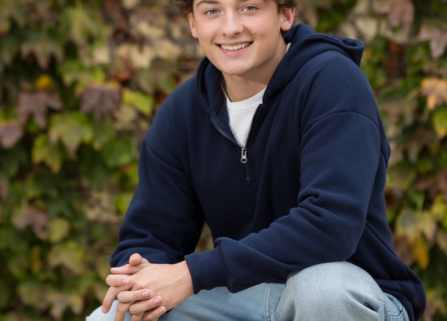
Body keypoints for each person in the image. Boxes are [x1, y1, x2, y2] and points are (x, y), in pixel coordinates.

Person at [86, 0, 426, 319]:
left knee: (322, 289)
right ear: (193, 23)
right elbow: (150, 236)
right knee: (116, 312)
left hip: (354, 297)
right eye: (212, 11)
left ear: (286, 14)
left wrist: (191, 273)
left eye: (249, 7)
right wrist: (140, 279)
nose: (231, 27)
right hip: (245, 300)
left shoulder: (332, 82)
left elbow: (330, 225)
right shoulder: (181, 113)